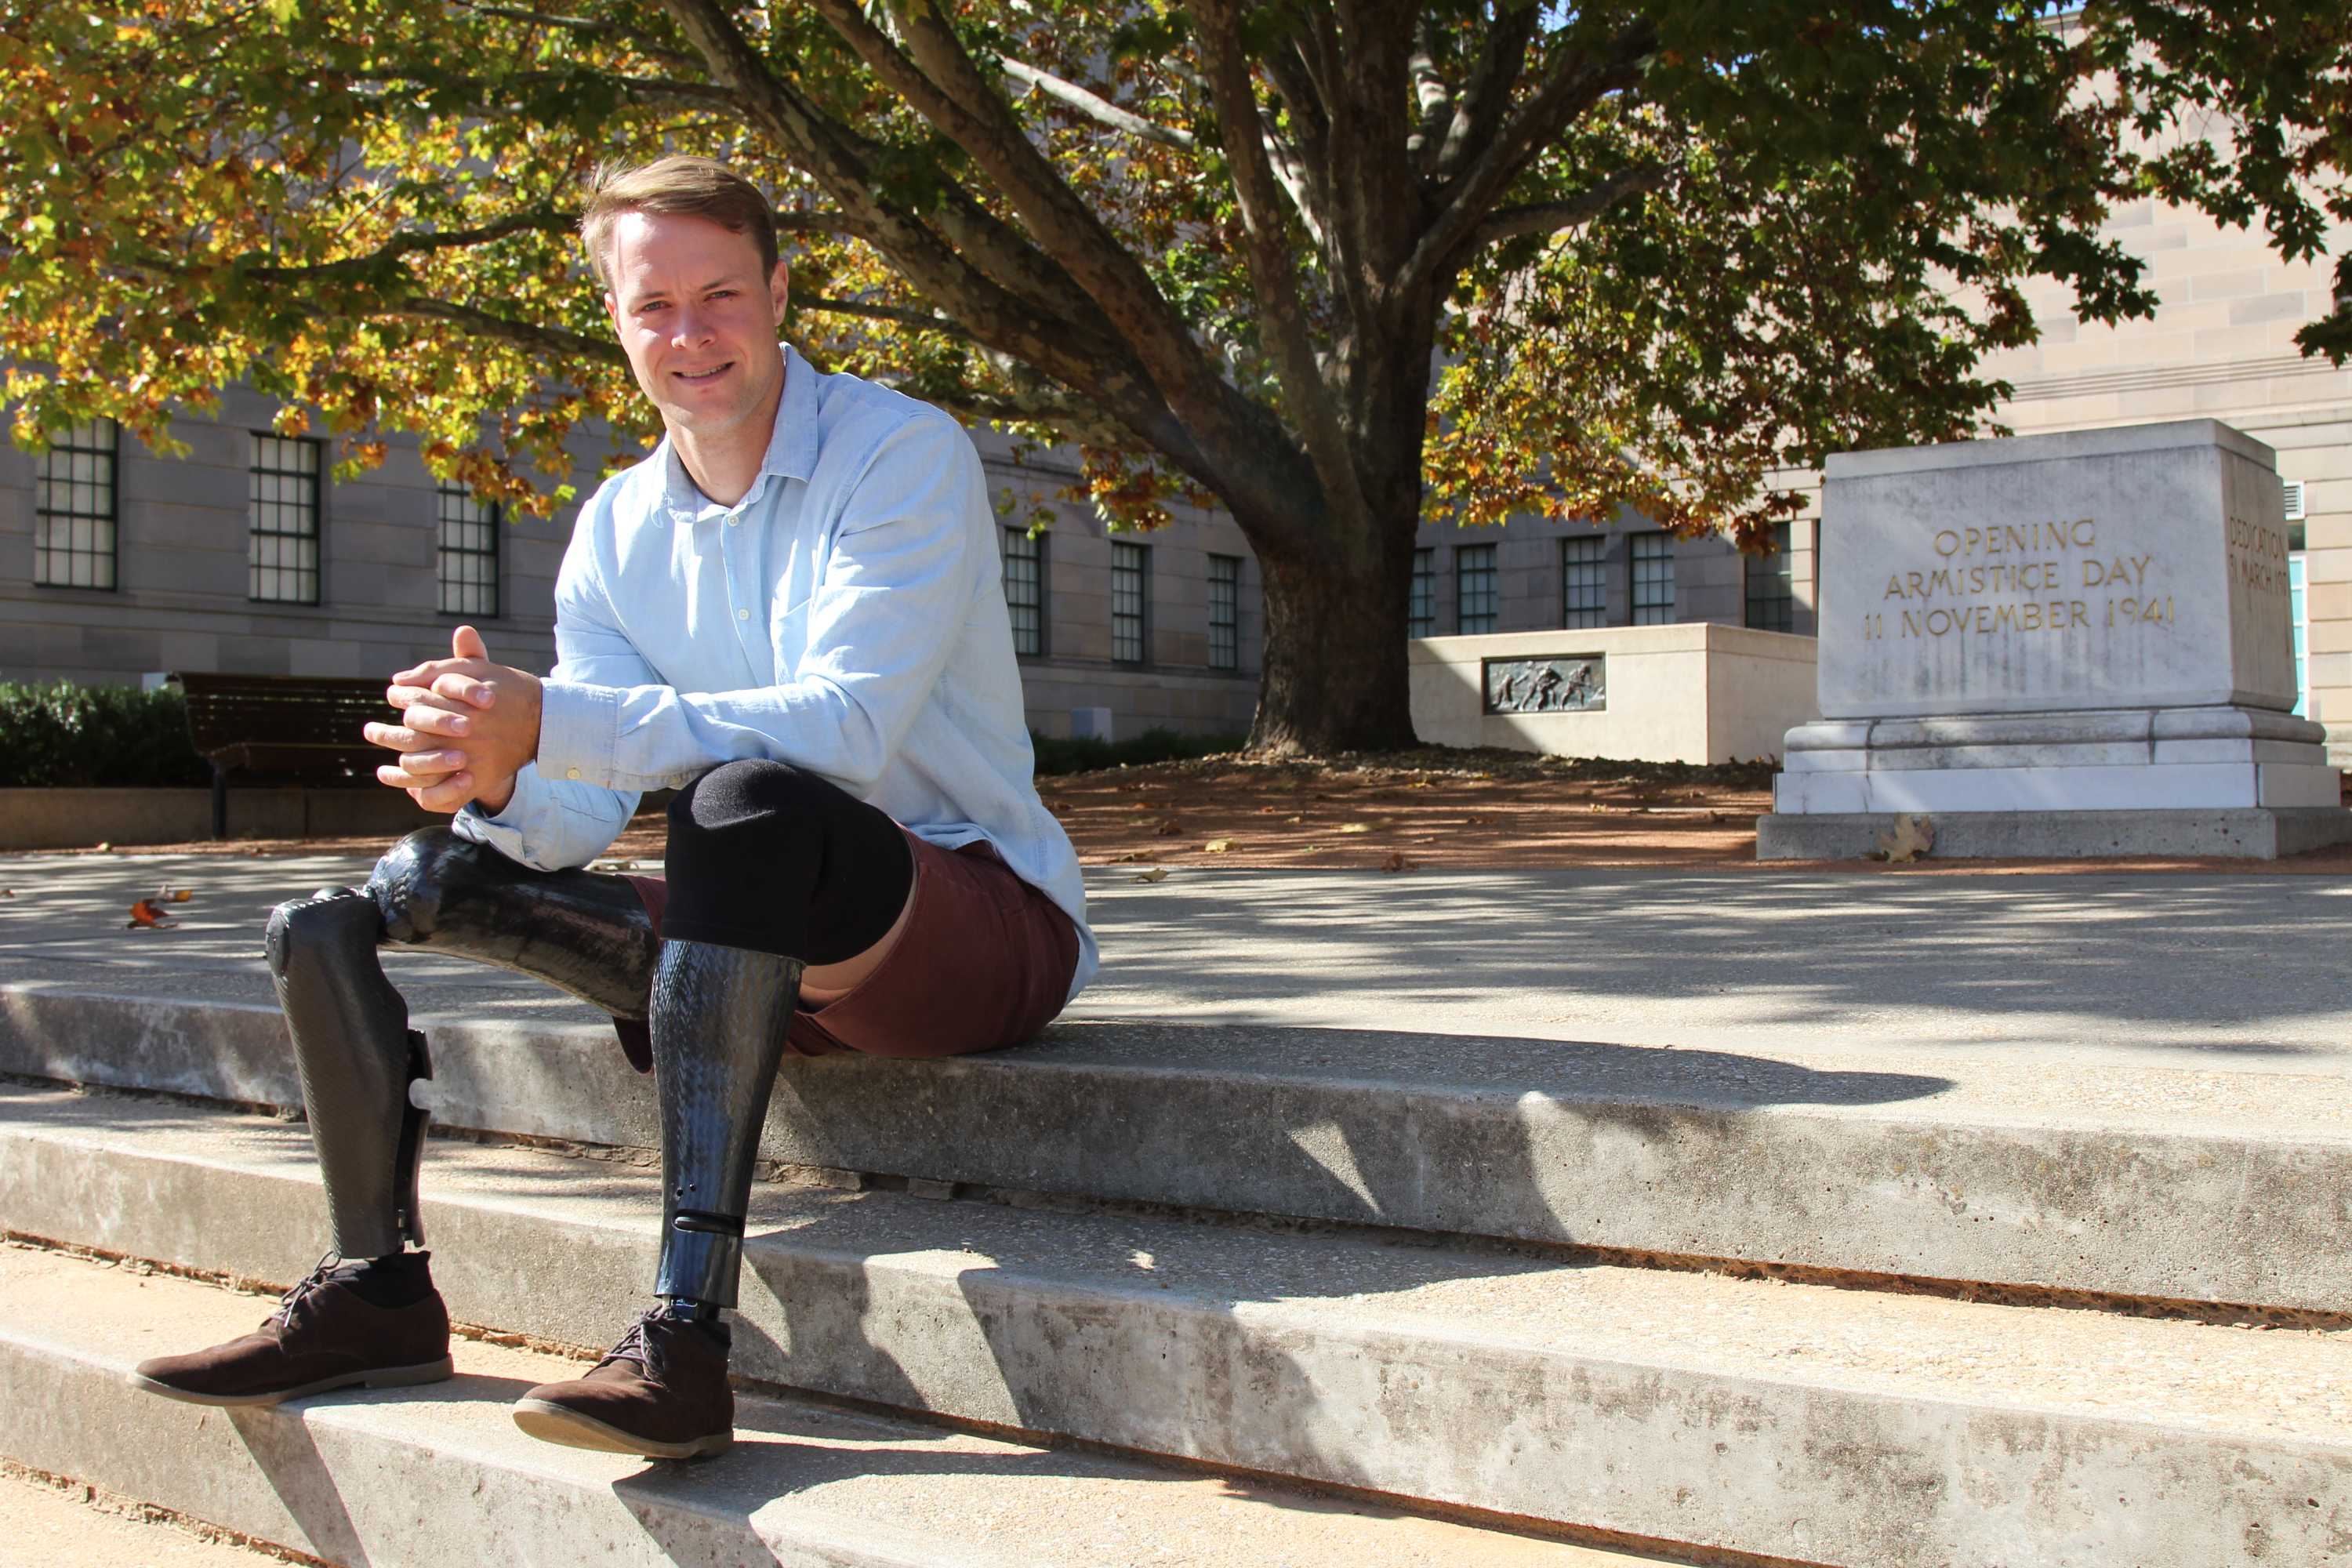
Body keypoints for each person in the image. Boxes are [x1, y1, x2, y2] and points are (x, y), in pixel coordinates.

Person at [127, 154, 1094, 1461]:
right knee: (385, 894)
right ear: (614, 317)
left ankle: (684, 1345)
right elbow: (581, 812)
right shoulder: (618, 524)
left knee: (743, 803)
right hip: (749, 949)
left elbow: (849, 731)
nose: (690, 336)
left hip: (971, 924)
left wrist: (557, 720)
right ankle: (377, 1292)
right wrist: (500, 775)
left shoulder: (899, 453)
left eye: (721, 296)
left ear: (780, 291)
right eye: (654, 307)